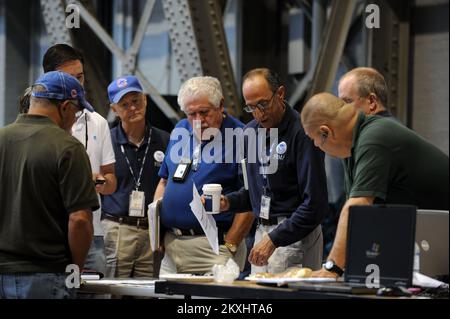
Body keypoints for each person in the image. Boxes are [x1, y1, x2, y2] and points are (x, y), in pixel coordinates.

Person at [300, 92, 449, 278]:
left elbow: (356, 206)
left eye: (313, 139)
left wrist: (332, 268)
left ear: (326, 132)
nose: (315, 146)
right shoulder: (351, 150)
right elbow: (362, 219)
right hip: (428, 239)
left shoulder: (374, 137)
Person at [0, 71, 98, 298]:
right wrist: (76, 269)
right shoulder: (68, 148)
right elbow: (80, 220)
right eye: (76, 111)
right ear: (64, 107)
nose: (76, 119)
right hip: (46, 275)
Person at [222, 68, 329, 274]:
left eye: (263, 104)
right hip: (262, 232)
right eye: (251, 107)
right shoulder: (250, 133)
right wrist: (229, 202)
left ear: (280, 93)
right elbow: (254, 194)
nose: (259, 113)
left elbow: (315, 204)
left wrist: (275, 238)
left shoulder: (303, 132)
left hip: (294, 234)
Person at [154, 76, 254, 274]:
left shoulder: (243, 137)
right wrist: (157, 232)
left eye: (204, 112)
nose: (198, 121)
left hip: (215, 247)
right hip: (172, 245)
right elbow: (164, 181)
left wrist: (231, 244)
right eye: (192, 114)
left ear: (221, 105)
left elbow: (252, 198)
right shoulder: (181, 129)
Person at [42, 43, 117, 277]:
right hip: (49, 232)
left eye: (80, 77)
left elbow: (112, 181)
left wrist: (101, 181)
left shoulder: (98, 122)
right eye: (68, 78)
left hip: (91, 232)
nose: (76, 85)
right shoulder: (39, 123)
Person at [101, 75, 169, 278]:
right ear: (114, 109)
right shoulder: (107, 140)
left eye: (136, 101)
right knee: (113, 292)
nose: (132, 108)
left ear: (145, 100)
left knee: (147, 292)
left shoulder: (165, 140)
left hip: (152, 232)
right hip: (116, 228)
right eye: (124, 104)